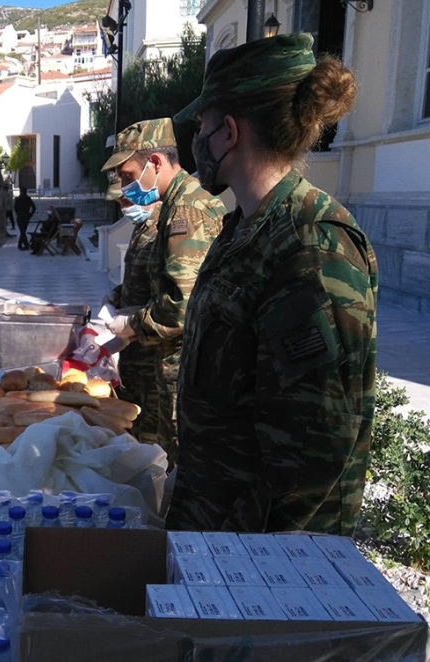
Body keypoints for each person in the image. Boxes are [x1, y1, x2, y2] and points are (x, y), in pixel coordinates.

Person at [165, 34, 377, 536]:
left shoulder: (310, 246)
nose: (196, 140)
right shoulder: (245, 228)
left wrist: (236, 551)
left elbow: (315, 447)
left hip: (261, 557)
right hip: (216, 526)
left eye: (202, 125)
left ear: (228, 133)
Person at [102, 118, 225, 464]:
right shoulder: (176, 204)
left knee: (176, 463)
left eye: (128, 176)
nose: (125, 189)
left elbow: (182, 306)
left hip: (185, 369)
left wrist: (132, 325)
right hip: (173, 364)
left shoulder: (186, 210)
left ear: (155, 163)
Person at [102, 175, 163, 443]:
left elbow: (172, 296)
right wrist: (115, 296)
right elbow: (139, 280)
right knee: (131, 429)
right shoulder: (141, 226)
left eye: (126, 200)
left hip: (154, 356)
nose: (123, 206)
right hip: (134, 358)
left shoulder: (164, 228)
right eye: (120, 202)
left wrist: (130, 324)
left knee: (151, 437)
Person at [14, 186, 36, 251]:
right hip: (26, 217)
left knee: (22, 231)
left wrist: (18, 213)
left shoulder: (17, 199)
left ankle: (23, 244)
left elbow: (15, 208)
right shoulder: (28, 199)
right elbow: (34, 207)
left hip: (20, 217)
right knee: (23, 231)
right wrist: (30, 214)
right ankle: (22, 244)